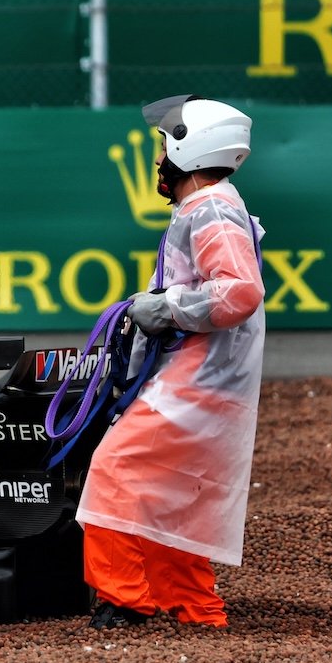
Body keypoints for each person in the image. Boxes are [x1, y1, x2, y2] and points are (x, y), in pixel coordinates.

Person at [78, 95, 265, 629]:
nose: (160, 160)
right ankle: (195, 608)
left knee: (114, 470)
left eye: (164, 147)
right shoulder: (215, 206)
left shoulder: (208, 207)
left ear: (191, 146)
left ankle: (124, 599)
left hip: (195, 382)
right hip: (211, 383)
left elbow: (239, 293)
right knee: (171, 490)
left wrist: (163, 307)